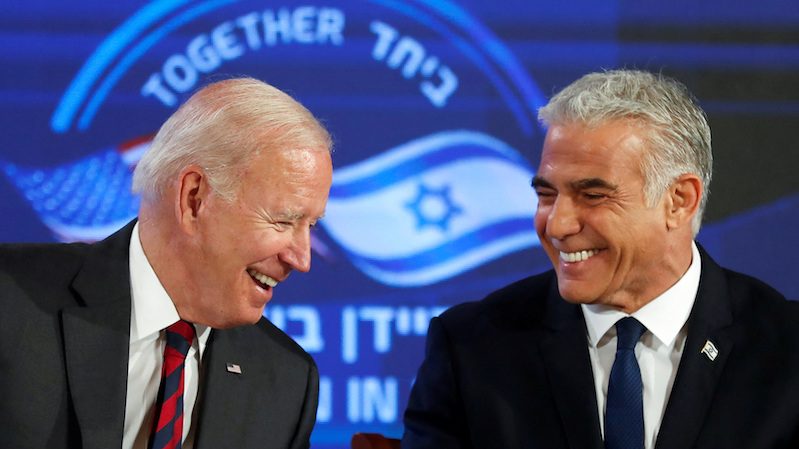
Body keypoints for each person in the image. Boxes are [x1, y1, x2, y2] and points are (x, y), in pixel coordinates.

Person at [401, 70, 799, 449]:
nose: (557, 225)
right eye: (546, 195)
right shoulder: (473, 350)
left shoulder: (784, 350)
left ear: (679, 201)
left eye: (592, 196)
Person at [0, 77, 333, 449]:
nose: (301, 259)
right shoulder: (11, 303)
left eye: (311, 225)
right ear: (195, 198)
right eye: (283, 221)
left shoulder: (285, 382)